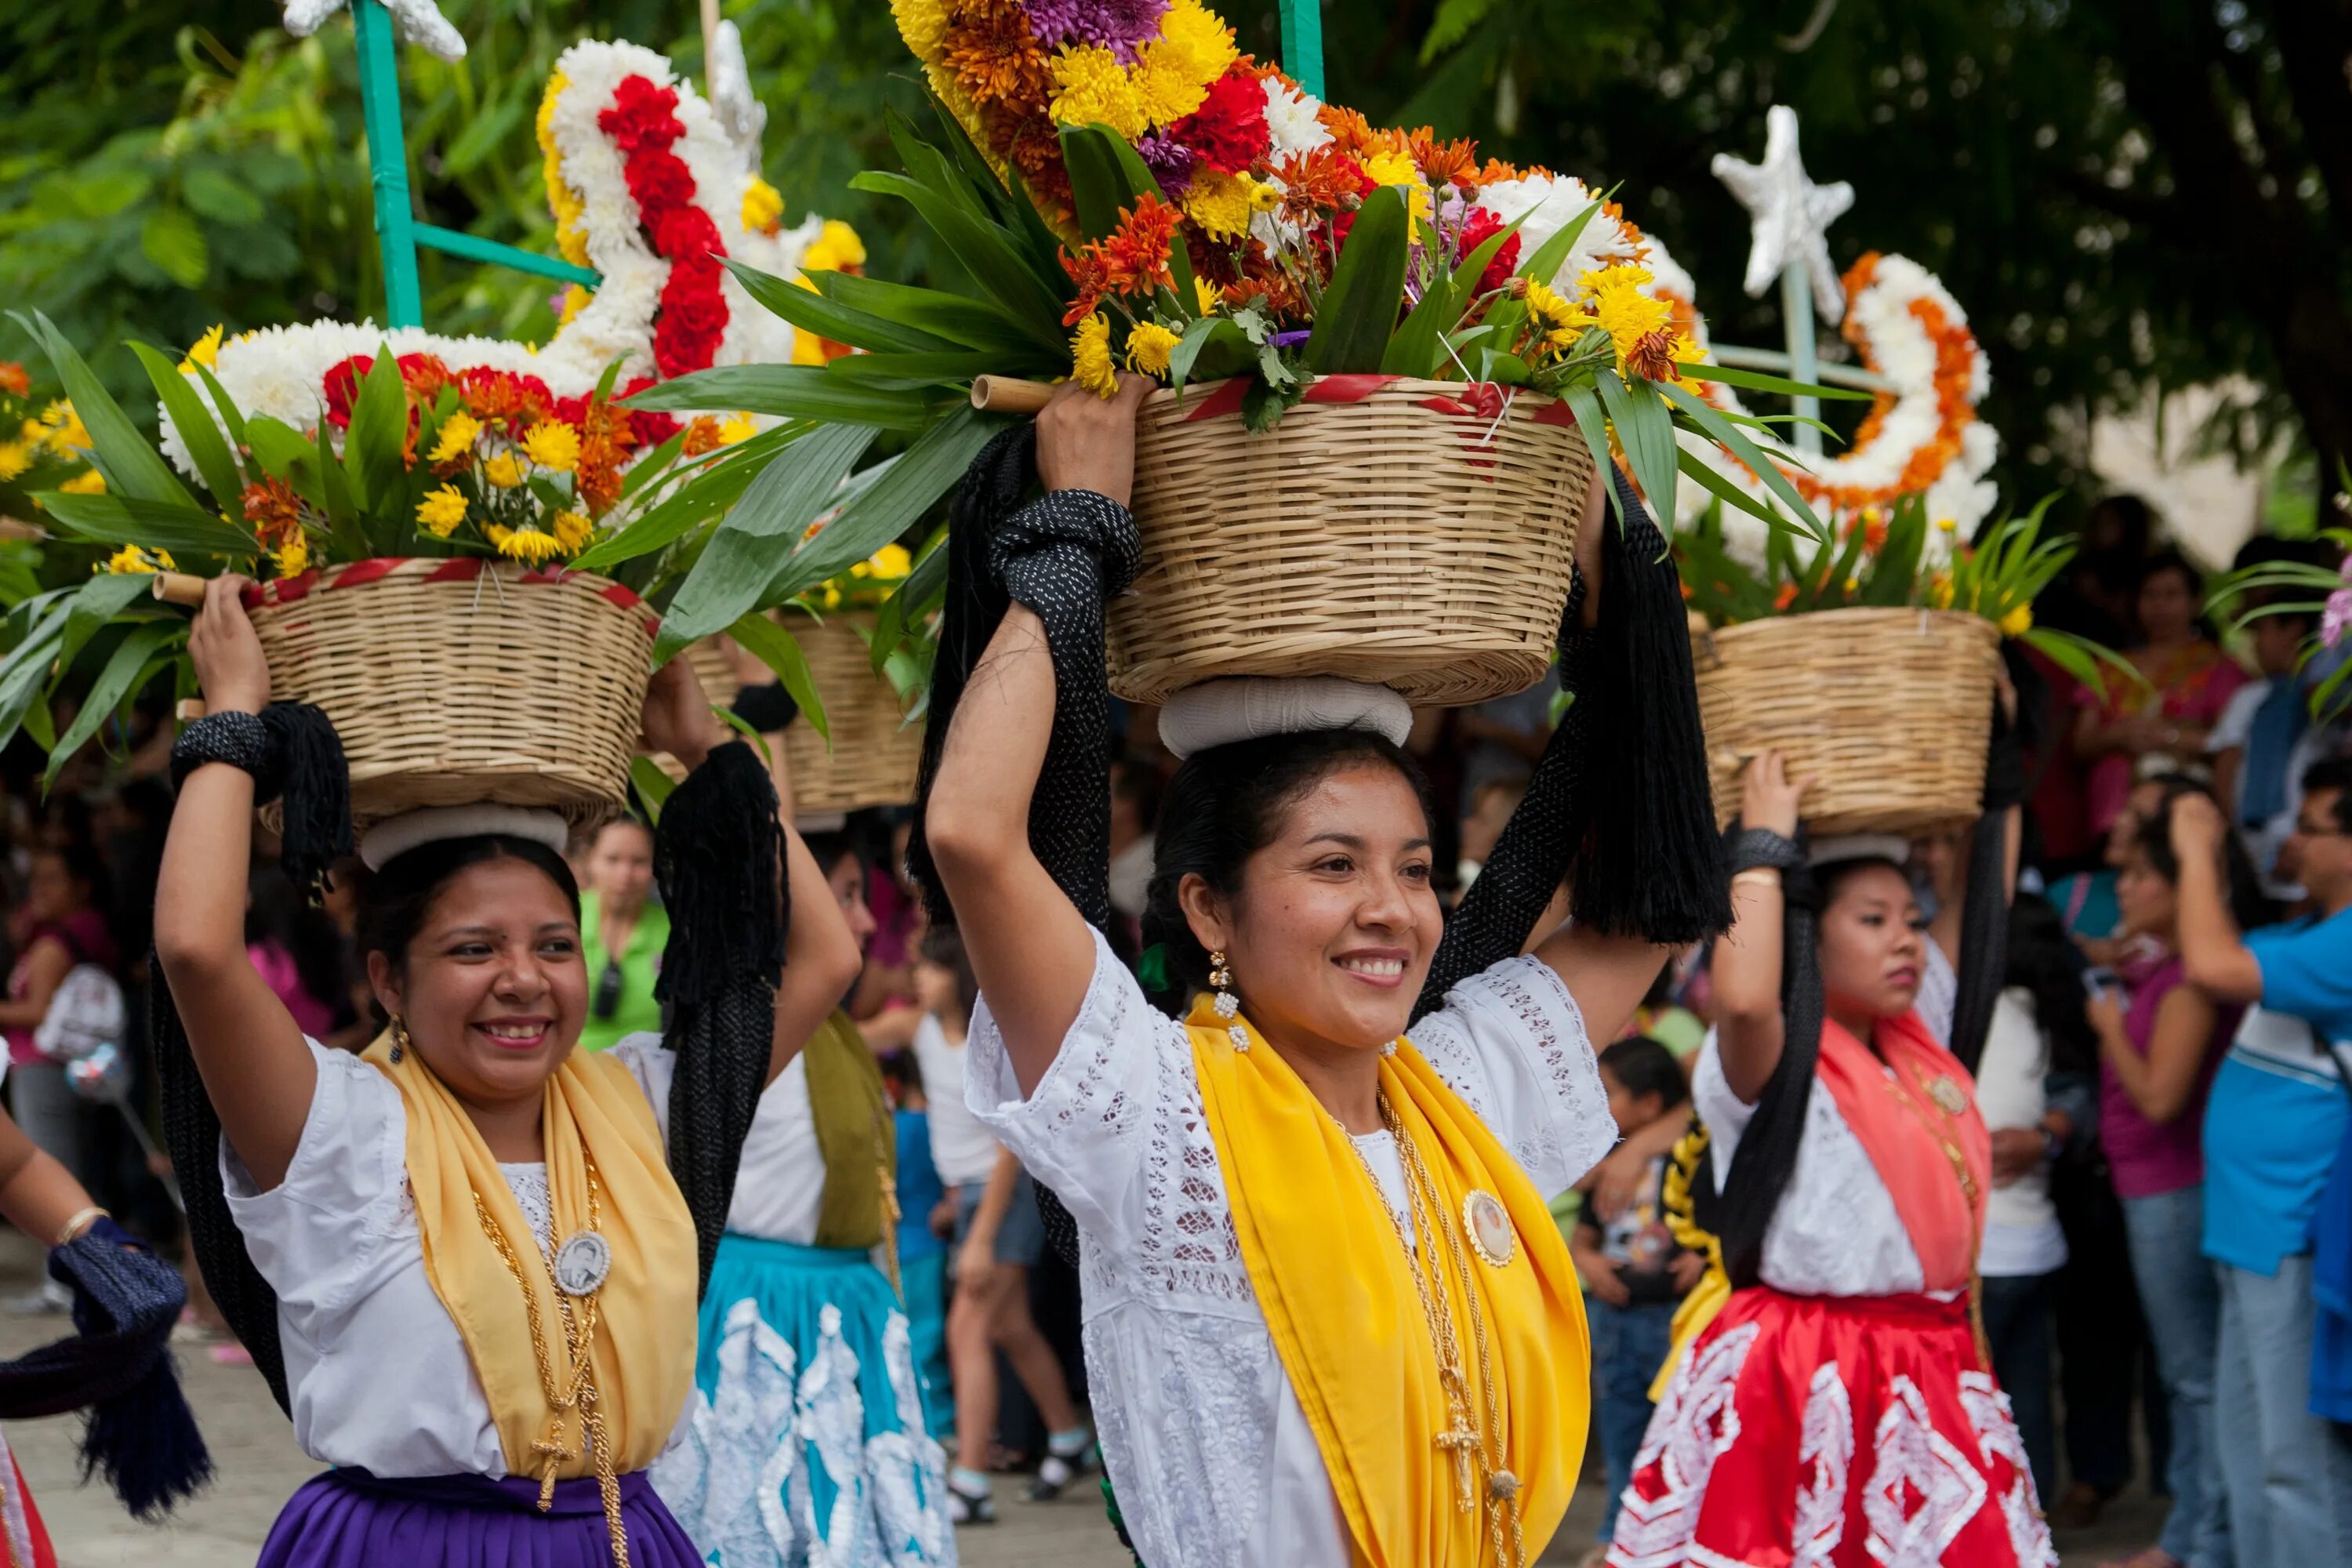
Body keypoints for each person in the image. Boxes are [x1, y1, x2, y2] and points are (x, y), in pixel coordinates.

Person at [924, 378, 1682, 1568]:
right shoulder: (1154, 1115)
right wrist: (1075, 535)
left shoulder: (1461, 1091)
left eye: (1418, 869)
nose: (1393, 911)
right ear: (1209, 908)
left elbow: (1653, 910)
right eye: (1335, 865)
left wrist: (1614, 600)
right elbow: (973, 828)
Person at [153, 577, 865, 1567]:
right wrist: (231, 718)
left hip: (621, 1536)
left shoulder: (639, 1103)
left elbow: (824, 958)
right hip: (410, 1546)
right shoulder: (337, 1127)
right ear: (387, 979)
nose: (524, 981)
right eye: (474, 949)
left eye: (554, 946)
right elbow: (195, 949)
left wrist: (708, 746)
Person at [1613, 751, 2056, 1568]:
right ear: (1812, 931)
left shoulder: (1918, 1049)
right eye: (1875, 919)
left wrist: (1998, 774)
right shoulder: (1768, 1059)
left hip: (1932, 1359)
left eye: (1912, 921)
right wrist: (1764, 841)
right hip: (1807, 1368)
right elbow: (1745, 994)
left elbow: (1977, 902)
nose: (1908, 941)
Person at [649, 822, 954, 1567]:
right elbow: (825, 946)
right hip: (761, 1315)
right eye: (844, 894)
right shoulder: (749, 1032)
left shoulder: (831, 1034)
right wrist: (755, 791)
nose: (863, 918)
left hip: (845, 1306)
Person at [2169, 768, 2352, 1567]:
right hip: (2248, 1227)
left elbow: (2210, 965)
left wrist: (2194, 845)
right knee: (2246, 1454)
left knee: (2293, 1462)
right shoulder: (2305, 935)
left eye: (2312, 826)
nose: (2294, 839)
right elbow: (2211, 948)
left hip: (2291, 1230)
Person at [2089, 787, 2263, 1568]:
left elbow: (2160, 1096)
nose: (2122, 887)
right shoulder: (2164, 965)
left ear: (2179, 883)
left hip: (2173, 1185)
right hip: (2155, 1185)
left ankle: (2200, 1540)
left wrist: (2105, 1029)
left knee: (2197, 1376)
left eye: (2138, 876)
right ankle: (2195, 1535)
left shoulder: (2191, 979)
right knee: (2193, 1371)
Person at [865, 926, 1093, 1523]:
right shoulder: (916, 1027)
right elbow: (850, 1035)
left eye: (931, 969)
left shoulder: (987, 1042)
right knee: (1011, 1326)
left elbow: (1006, 1151)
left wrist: (983, 1236)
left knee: (968, 1330)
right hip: (967, 1196)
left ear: (958, 975)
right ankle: (1068, 1440)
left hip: (1004, 1194)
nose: (918, 978)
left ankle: (968, 1481)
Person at [1571, 1037, 1700, 1565]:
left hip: (1673, 1318)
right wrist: (1590, 1262)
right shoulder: (1607, 1156)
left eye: (1609, 1092)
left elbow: (1719, 1220)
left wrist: (1703, 1258)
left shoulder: (1691, 1156)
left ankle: (1674, 1537)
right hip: (1613, 1318)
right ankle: (1616, 1534)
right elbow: (1586, 1235)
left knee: (1675, 1431)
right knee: (1620, 1428)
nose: (1599, 1103)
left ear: (1650, 1104)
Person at [2073, 550, 2249, 839]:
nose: (2160, 606)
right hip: (2108, 819)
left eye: (2171, 595)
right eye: (2150, 595)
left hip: (2179, 815)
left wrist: (2168, 737)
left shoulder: (2220, 668)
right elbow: (2080, 743)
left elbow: (2232, 744)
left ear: (2195, 602)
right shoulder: (2110, 665)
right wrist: (2118, 735)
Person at [0, 843, 118, 1209]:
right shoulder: (80, 929)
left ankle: (70, 1266)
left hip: (43, 1067)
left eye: (52, 880)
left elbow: (37, 1011)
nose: (39, 890)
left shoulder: (61, 938)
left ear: (81, 886)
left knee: (53, 1186)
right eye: (35, 880)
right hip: (77, 1067)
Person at [2209, 597, 2337, 902]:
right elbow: (2226, 769)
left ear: (2293, 631)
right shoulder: (2250, 698)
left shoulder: (2333, 696)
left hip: (2316, 838)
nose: (2254, 644)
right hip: (2255, 844)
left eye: (2261, 632)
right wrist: (2240, 843)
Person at [575, 817, 667, 1053]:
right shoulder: (564, 919)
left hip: (645, 1071)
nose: (625, 875)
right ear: (590, 860)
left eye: (639, 861)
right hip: (571, 1068)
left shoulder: (672, 933)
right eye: (612, 859)